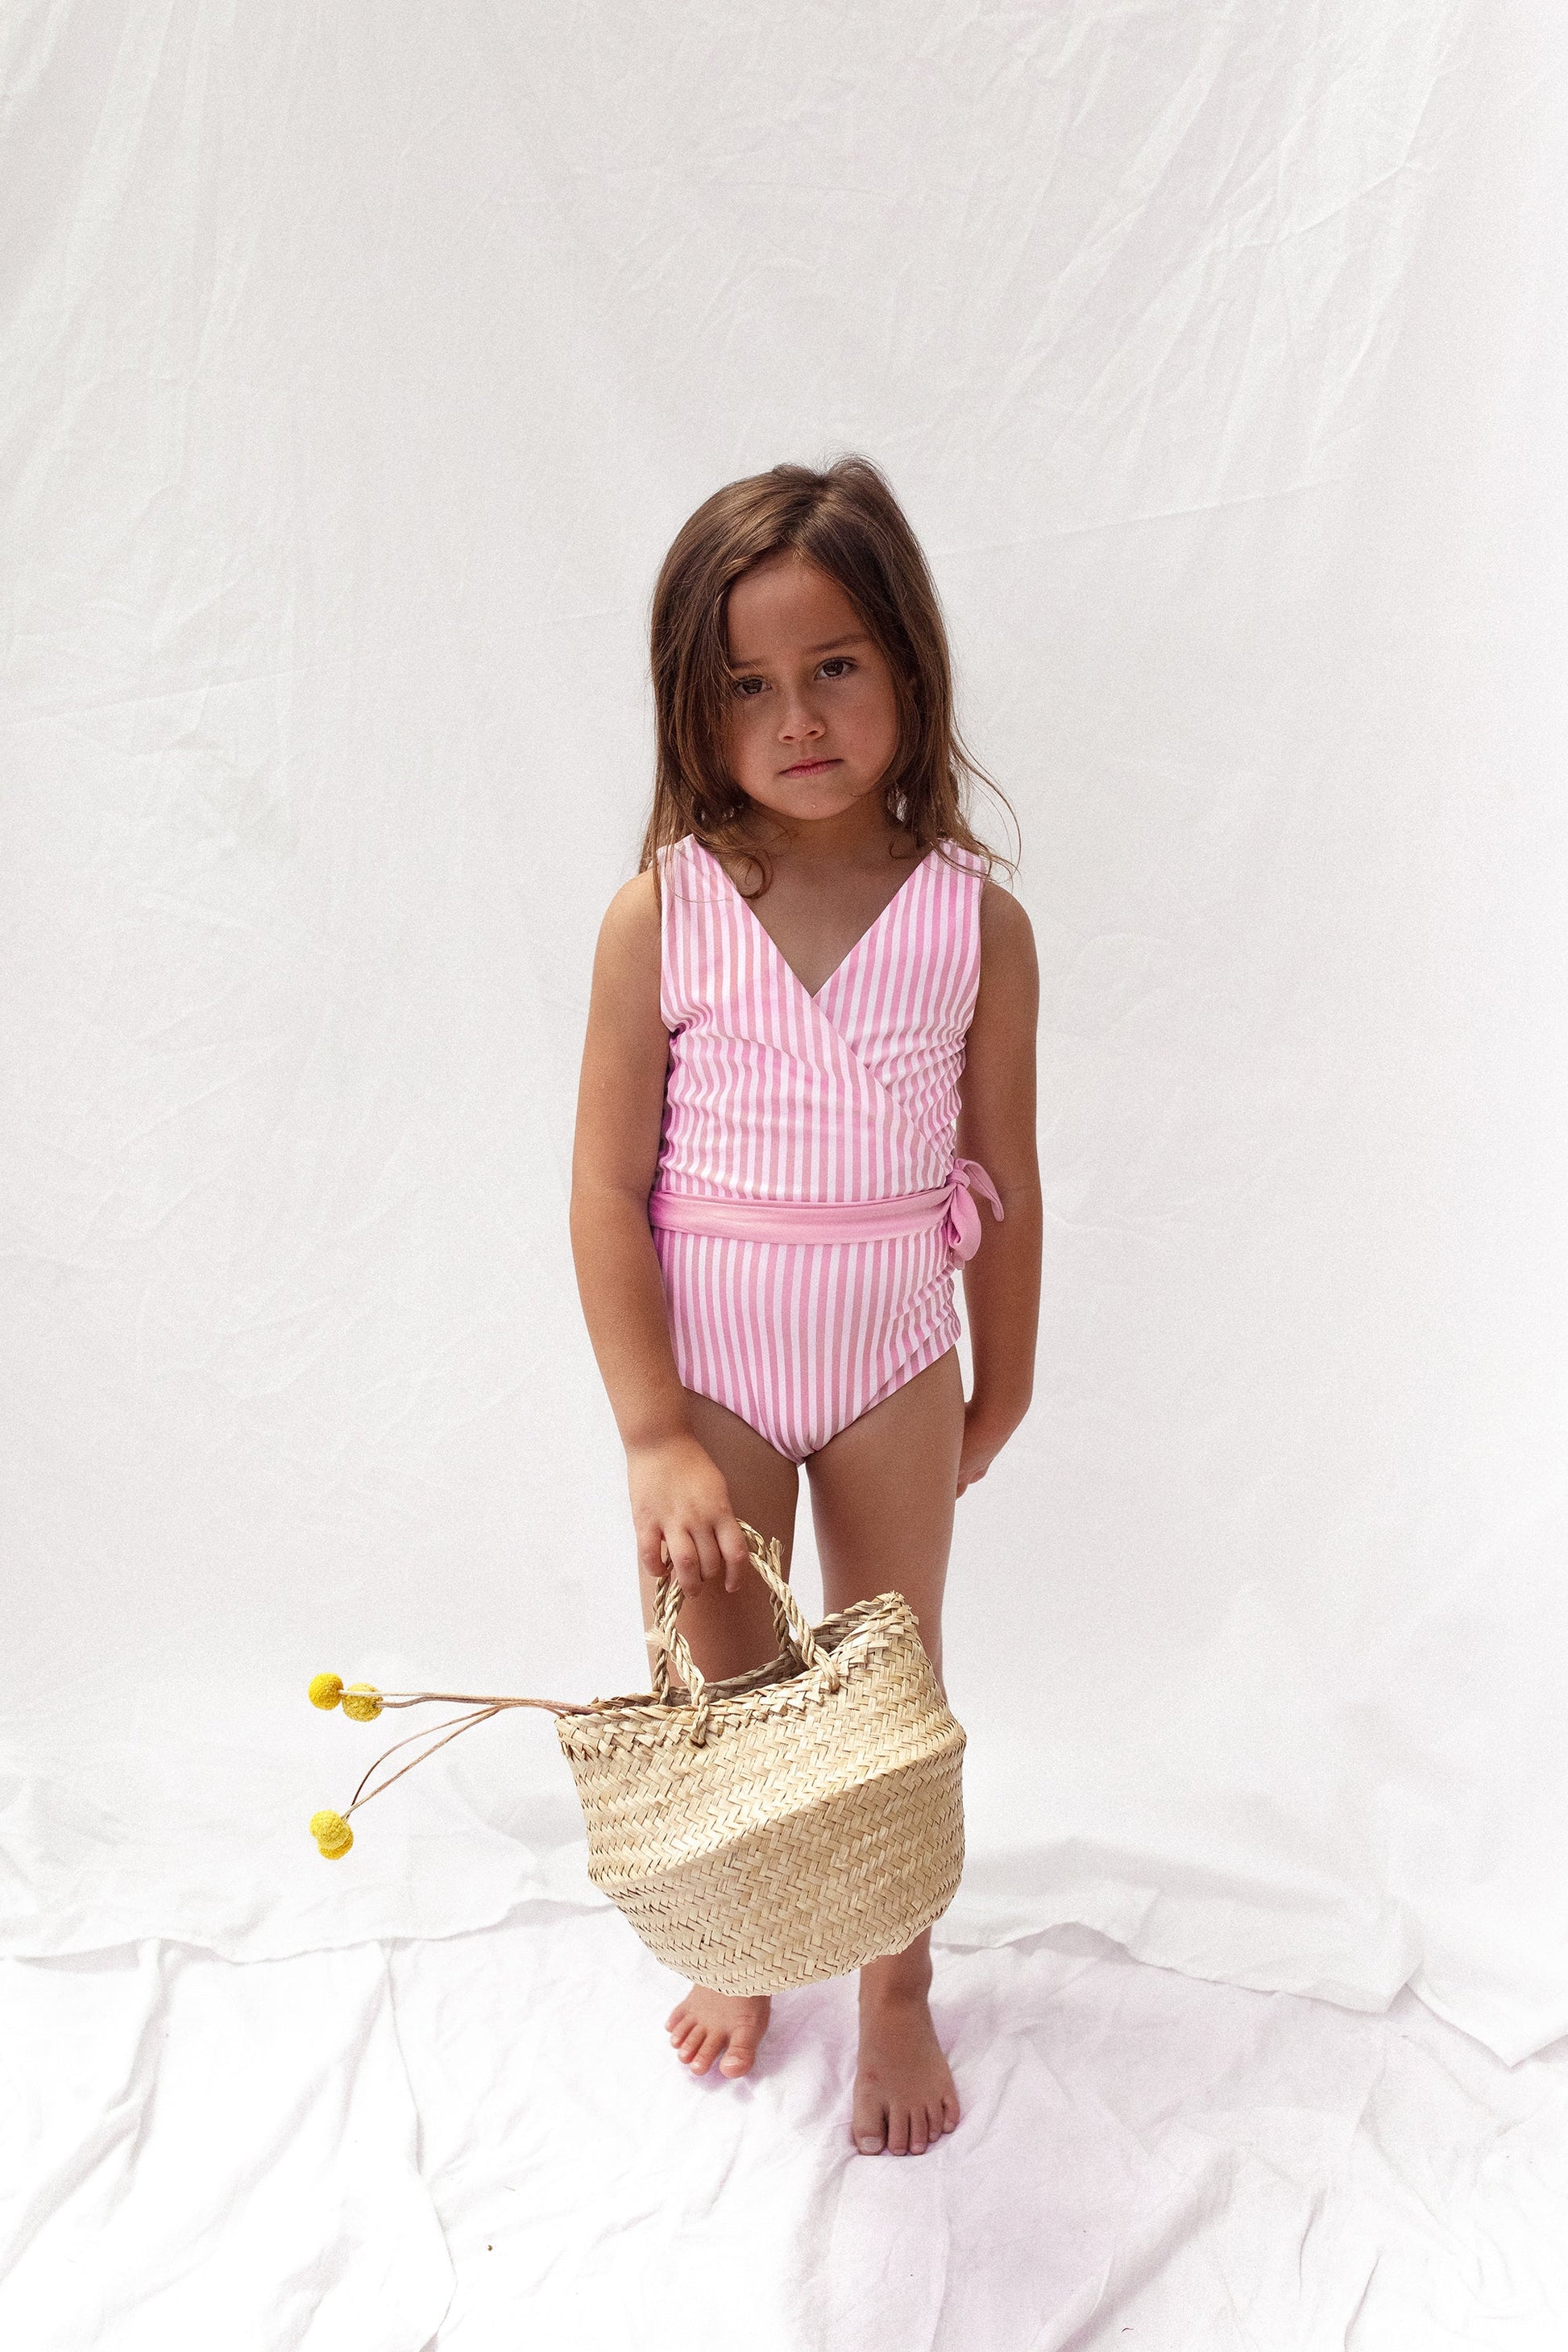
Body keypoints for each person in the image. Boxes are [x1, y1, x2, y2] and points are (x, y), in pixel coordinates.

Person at [570, 457, 1041, 2158]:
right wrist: (651, 1433)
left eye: (833, 664)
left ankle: (896, 1980)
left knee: (888, 1698)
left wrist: (1007, 1380)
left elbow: (1008, 1171)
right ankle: (754, 1943)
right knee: (738, 1684)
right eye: (746, 687)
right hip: (716, 1381)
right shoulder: (664, 914)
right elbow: (602, 1194)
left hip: (895, 1357)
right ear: (694, 717)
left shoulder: (975, 926)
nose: (798, 716)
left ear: (906, 664)